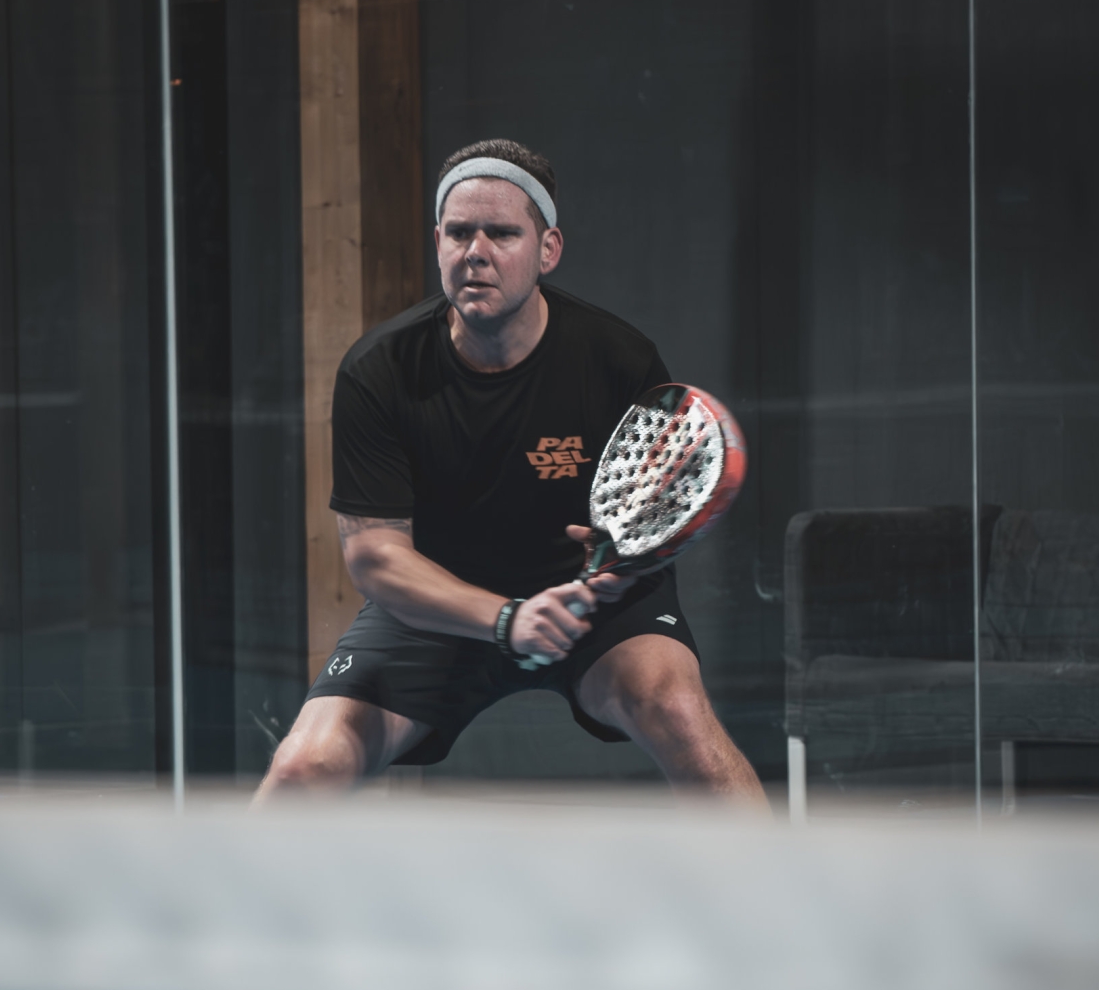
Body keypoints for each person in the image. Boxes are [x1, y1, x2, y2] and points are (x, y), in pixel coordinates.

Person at [257, 139, 765, 805]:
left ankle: (778, 880)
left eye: (501, 233)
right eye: (459, 233)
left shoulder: (618, 357)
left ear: (547, 249)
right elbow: (377, 559)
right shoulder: (377, 370)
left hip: (589, 606)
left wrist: (616, 569)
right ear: (438, 242)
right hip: (437, 610)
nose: (476, 251)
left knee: (679, 715)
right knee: (303, 769)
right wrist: (506, 618)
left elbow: (654, 514)